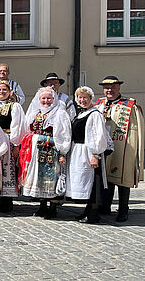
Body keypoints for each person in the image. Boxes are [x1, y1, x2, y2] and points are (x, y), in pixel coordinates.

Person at [95, 75, 144, 222]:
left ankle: (123, 209)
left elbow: (138, 129)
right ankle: (105, 206)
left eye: (113, 87)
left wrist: (135, 148)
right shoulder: (99, 104)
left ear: (119, 88)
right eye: (107, 88)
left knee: (123, 177)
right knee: (105, 176)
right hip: (104, 144)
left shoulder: (129, 106)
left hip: (123, 146)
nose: (109, 90)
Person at [19, 87, 71, 219]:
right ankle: (42, 206)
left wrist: (62, 152)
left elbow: (64, 134)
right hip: (37, 151)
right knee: (39, 177)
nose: (46, 101)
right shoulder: (36, 112)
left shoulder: (59, 113)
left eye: (49, 98)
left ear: (54, 99)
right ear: (39, 99)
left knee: (52, 176)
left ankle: (53, 207)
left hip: (52, 150)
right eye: (43, 98)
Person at [67, 87, 110, 224]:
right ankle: (88, 210)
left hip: (88, 152)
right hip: (78, 151)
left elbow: (99, 136)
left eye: (85, 97)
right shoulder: (82, 113)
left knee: (93, 183)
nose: (82, 100)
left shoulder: (95, 114)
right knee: (85, 182)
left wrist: (95, 154)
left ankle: (93, 214)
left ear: (90, 98)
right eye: (80, 97)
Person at [0, 80, 25, 212]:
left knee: (7, 169)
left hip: (7, 139)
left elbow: (17, 126)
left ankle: (7, 200)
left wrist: (15, 145)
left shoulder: (14, 106)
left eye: (4, 90)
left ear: (9, 92)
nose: (1, 92)